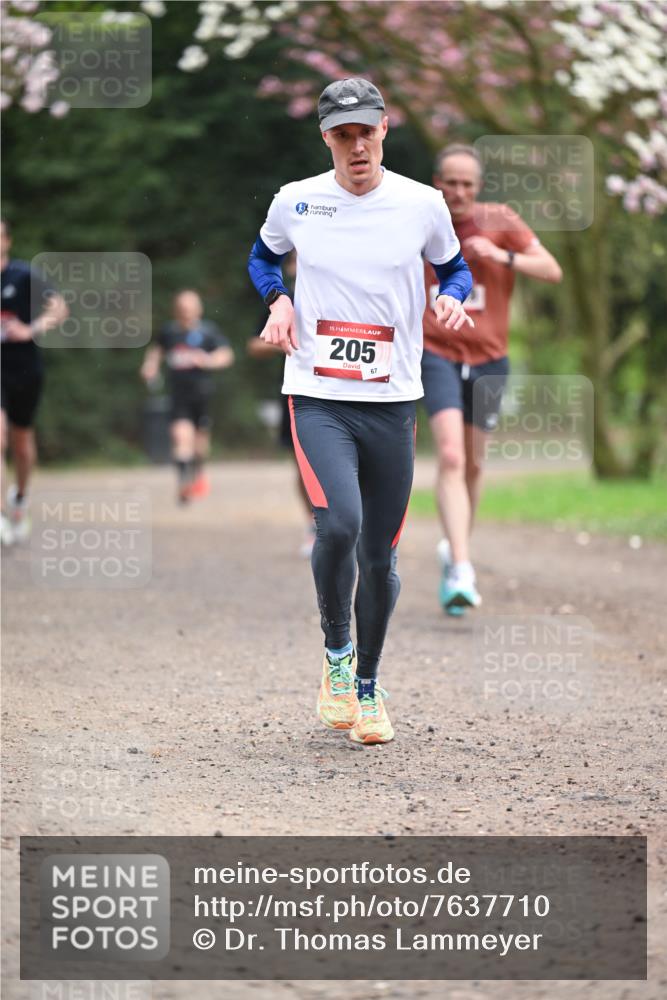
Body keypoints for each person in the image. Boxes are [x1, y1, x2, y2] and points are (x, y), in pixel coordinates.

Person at [248, 79, 473, 745]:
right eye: (342, 135)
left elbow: (453, 269)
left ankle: (369, 688)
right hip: (318, 394)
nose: (355, 146)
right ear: (326, 138)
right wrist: (276, 300)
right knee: (339, 524)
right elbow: (264, 256)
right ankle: (337, 658)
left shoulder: (423, 203)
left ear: (384, 131)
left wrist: (451, 299)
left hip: (392, 399)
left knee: (380, 557)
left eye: (365, 133)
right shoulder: (296, 201)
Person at [422, 144, 562, 615]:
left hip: (489, 359)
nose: (458, 191)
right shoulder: (418, 219)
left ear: (477, 187)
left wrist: (501, 257)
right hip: (436, 350)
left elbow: (552, 269)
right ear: (436, 182)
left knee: (474, 467)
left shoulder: (500, 219)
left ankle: (453, 551)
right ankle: (462, 566)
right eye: (450, 181)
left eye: (467, 183)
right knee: (450, 456)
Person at [1, 218, 68, 545]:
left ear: (7, 240)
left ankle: (20, 499)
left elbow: (59, 309)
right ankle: (1, 515)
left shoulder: (24, 275)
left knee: (21, 443)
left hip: (25, 368)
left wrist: (31, 329)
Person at [246, 252, 316, 558]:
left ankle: (345, 524)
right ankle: (313, 524)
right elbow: (253, 344)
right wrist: (281, 339)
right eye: (294, 261)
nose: (298, 266)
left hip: (335, 388)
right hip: (292, 389)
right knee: (301, 463)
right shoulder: (279, 300)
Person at [140, 290, 234, 504]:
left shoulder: (208, 331)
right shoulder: (169, 332)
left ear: (198, 309)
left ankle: (197, 471)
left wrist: (208, 360)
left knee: (200, 445)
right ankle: (183, 483)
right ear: (176, 310)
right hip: (178, 395)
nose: (186, 312)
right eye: (182, 308)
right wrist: (150, 366)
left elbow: (227, 355)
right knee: (181, 438)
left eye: (190, 308)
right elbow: (156, 351)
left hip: (202, 395)